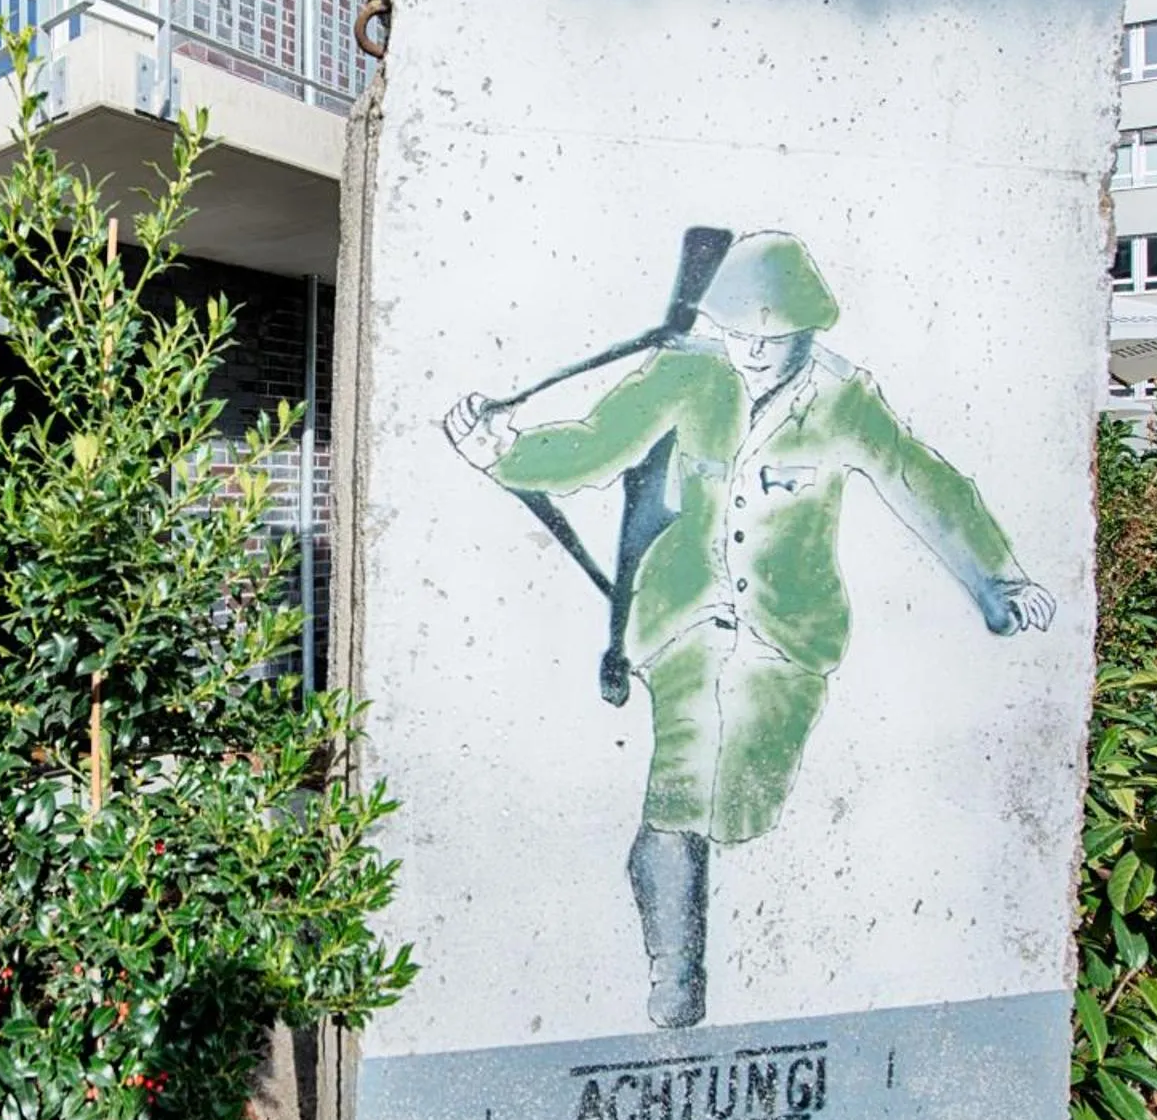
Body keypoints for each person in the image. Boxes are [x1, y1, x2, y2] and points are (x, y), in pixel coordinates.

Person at [443, 231, 1055, 1027]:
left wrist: (998, 578)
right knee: (682, 783)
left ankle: (687, 862)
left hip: (788, 635)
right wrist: (501, 451)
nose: (755, 353)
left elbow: (920, 479)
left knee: (743, 804)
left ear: (809, 330)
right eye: (739, 335)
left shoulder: (843, 400)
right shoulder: (686, 374)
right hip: (685, 616)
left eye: (773, 338)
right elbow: (595, 447)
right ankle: (676, 972)